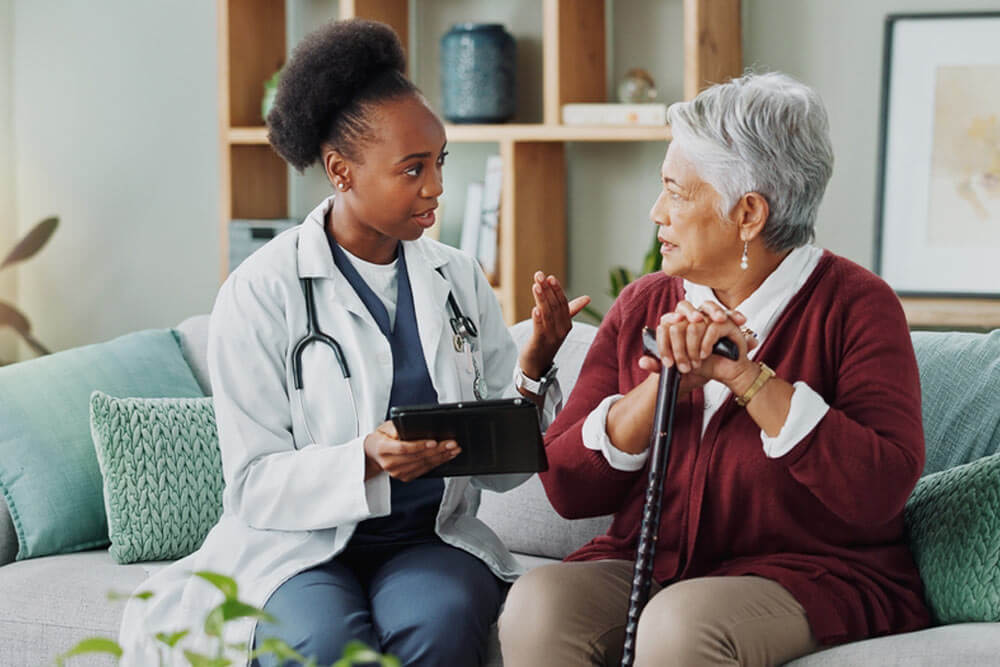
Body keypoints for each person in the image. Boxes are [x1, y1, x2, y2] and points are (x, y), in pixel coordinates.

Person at [118, 19, 587, 667]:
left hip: (427, 539)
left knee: (442, 625)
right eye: (412, 169)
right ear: (341, 170)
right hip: (298, 547)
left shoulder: (456, 277)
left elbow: (504, 473)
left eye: (440, 161)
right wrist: (364, 457)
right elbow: (253, 484)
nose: (437, 187)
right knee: (326, 646)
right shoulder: (260, 291)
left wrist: (533, 370)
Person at [498, 71, 931, 667]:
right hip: (653, 563)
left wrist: (746, 378)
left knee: (679, 625)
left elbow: (880, 488)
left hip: (809, 576)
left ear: (748, 213)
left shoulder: (857, 305)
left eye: (676, 192)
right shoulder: (644, 304)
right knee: (539, 602)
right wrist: (663, 384)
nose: (656, 213)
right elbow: (567, 487)